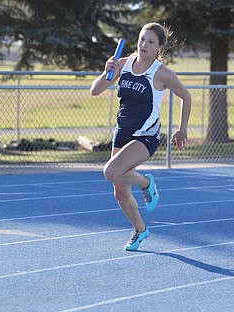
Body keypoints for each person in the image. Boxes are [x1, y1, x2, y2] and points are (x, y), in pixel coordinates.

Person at [90, 22, 191, 251]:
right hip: (122, 132)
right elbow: (94, 90)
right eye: (142, 39)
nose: (144, 45)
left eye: (151, 42)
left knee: (111, 172)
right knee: (120, 192)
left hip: (146, 135)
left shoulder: (162, 73)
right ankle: (140, 230)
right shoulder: (123, 63)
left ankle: (146, 183)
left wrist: (182, 129)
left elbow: (187, 97)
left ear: (159, 48)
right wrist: (107, 72)